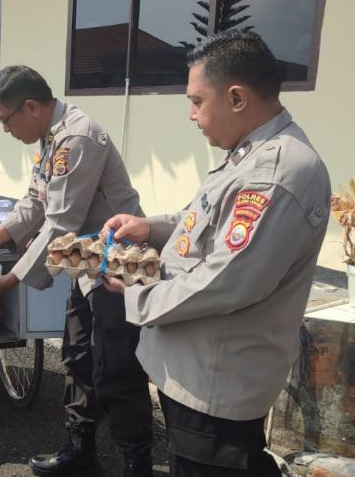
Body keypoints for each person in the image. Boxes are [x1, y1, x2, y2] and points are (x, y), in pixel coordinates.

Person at [101, 31, 331, 477]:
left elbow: (228, 279)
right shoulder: (249, 155)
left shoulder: (277, 171)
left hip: (216, 382)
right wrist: (152, 227)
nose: (191, 115)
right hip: (195, 368)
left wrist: (136, 298)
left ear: (237, 98)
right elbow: (203, 220)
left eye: (197, 101)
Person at [0, 66, 154, 476]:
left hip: (117, 264)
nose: (4, 130)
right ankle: (80, 448)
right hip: (85, 262)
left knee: (116, 368)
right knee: (78, 356)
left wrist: (12, 280)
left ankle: (135, 463)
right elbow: (36, 201)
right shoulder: (52, 138)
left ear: (31, 107)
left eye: (5, 119)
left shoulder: (78, 138)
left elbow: (60, 222)